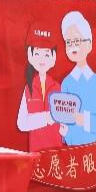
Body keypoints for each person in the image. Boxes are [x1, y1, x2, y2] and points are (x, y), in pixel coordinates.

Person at [59, 10, 96, 146]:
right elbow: (65, 124)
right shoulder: (66, 83)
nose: (72, 46)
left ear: (89, 44)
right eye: (68, 42)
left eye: (77, 40)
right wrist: (64, 133)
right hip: (73, 150)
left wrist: (83, 119)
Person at [15, 23, 64, 151]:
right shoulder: (28, 88)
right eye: (37, 54)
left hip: (56, 153)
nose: (42, 59)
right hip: (36, 153)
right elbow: (22, 124)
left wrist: (66, 130)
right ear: (30, 55)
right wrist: (47, 117)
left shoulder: (58, 88)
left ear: (53, 57)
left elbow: (65, 119)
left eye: (46, 54)